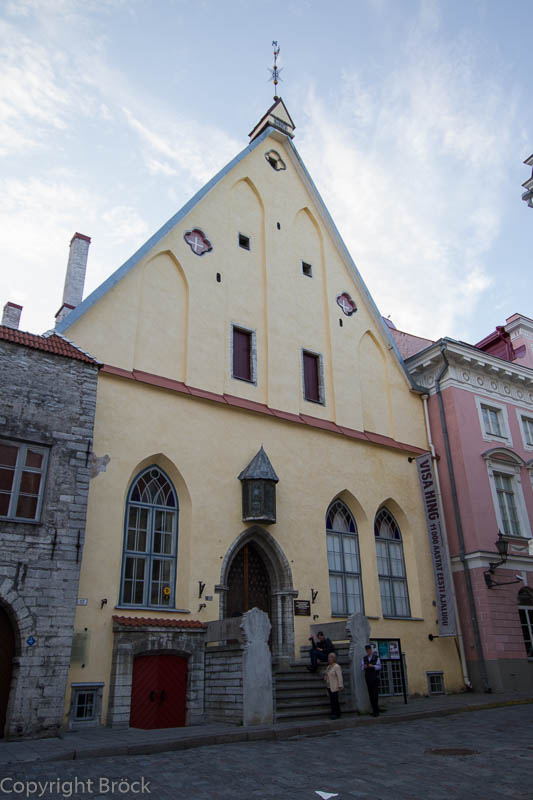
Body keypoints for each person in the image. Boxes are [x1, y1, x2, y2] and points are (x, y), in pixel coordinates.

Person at [361, 644, 381, 716]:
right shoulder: (364, 658)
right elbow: (362, 668)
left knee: (375, 694)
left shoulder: (376, 657)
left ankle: (376, 710)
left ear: (371, 650)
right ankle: (373, 710)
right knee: (371, 694)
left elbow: (379, 666)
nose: (368, 651)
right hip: (368, 677)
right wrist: (365, 667)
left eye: (369, 650)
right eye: (367, 650)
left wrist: (373, 666)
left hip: (374, 677)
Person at [324, 652, 343, 719]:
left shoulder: (336, 666)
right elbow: (327, 675)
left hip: (334, 686)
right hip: (329, 686)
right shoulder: (328, 667)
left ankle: (335, 714)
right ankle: (336, 713)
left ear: (334, 658)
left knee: (335, 701)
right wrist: (326, 677)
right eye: (329, 657)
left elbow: (339, 676)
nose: (329, 659)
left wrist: (340, 685)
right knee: (332, 701)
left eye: (330, 657)